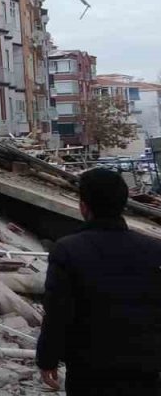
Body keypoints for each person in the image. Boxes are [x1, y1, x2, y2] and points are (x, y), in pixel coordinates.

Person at [37, 168, 161, 395]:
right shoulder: (154, 250)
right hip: (146, 369)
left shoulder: (68, 250)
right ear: (123, 204)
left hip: (89, 371)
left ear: (84, 206)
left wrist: (47, 359)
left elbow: (57, 313)